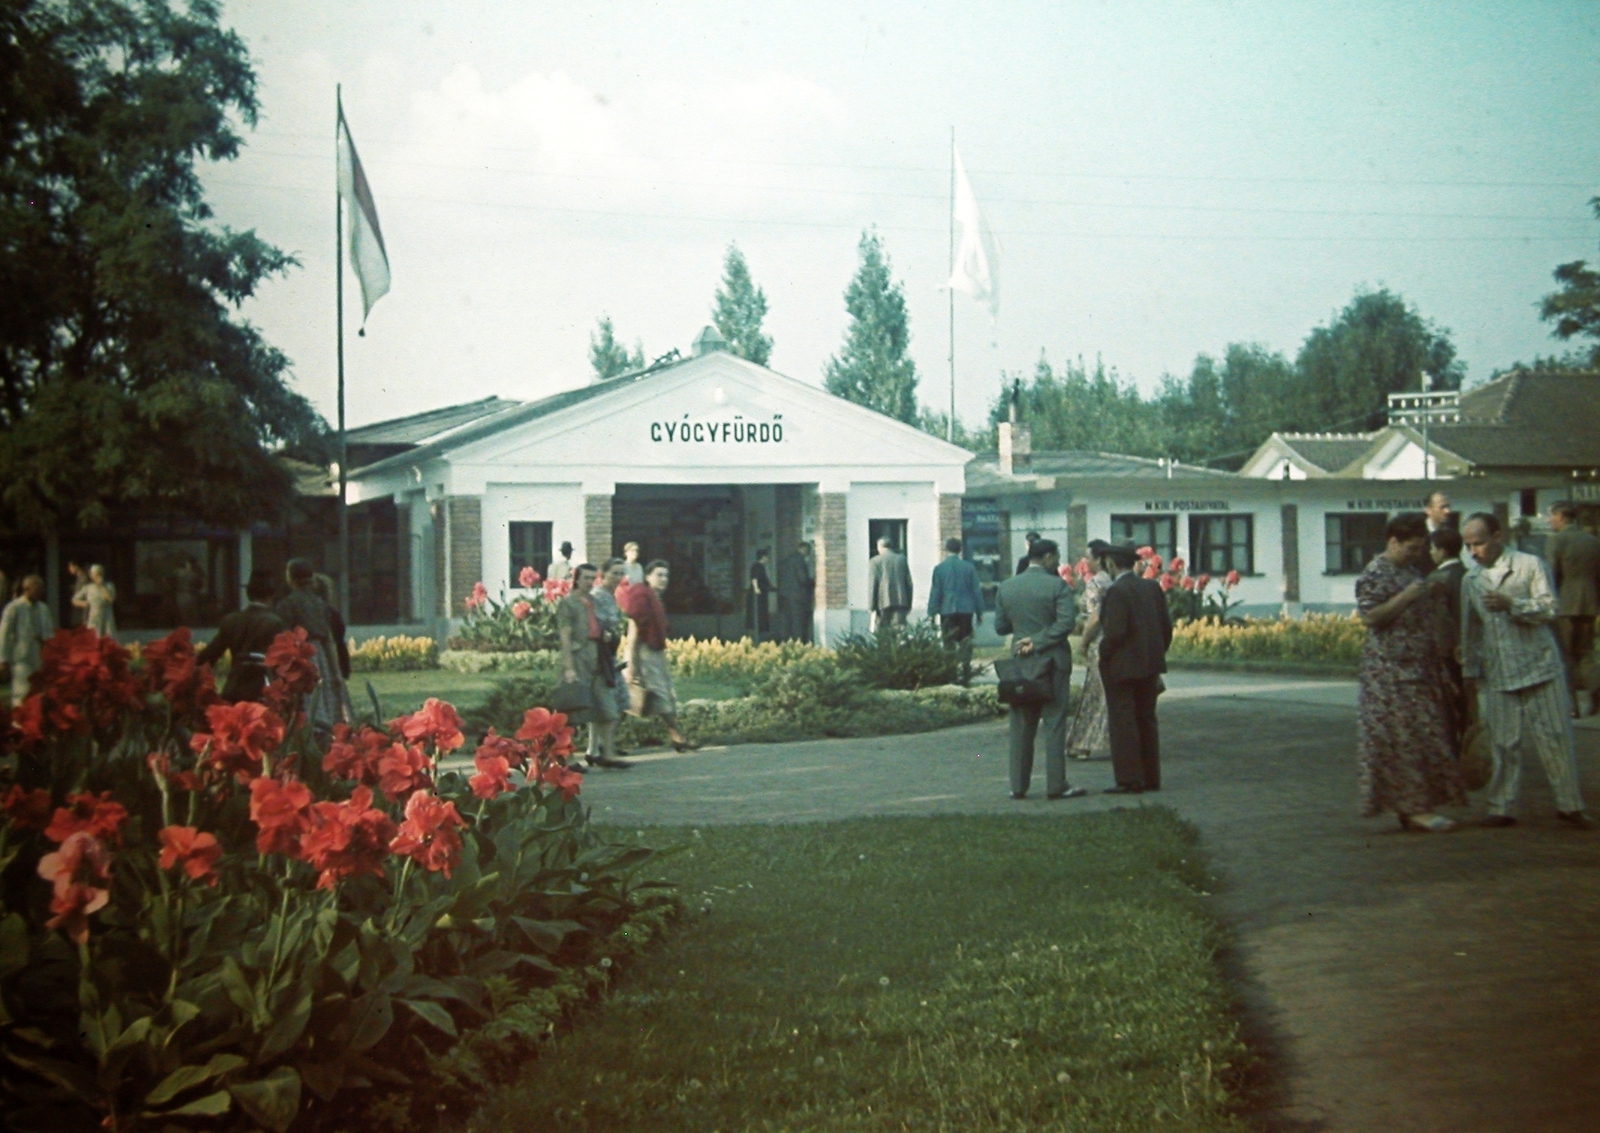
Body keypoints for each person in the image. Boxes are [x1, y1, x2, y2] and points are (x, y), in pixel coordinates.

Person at [1461, 512, 1592, 829]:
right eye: (1468, 546)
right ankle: (1501, 806)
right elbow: (1471, 631)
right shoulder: (1471, 580)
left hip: (1541, 667)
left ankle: (1570, 805)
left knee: (1555, 737)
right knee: (1503, 743)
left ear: (1497, 536)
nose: (1474, 552)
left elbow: (1550, 607)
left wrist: (1513, 604)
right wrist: (1470, 672)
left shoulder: (1529, 565)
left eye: (1478, 543)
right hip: (1499, 672)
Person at [1355, 513, 1466, 832]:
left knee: (1424, 735)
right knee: (1404, 739)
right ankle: (1415, 808)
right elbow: (1371, 616)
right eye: (1411, 548)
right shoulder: (1375, 573)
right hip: (1390, 672)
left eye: (1421, 548)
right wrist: (1406, 597)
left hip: (1419, 667)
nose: (1417, 554)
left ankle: (1417, 805)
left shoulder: (1411, 569)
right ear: (1393, 542)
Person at [993, 538, 1087, 801]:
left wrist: (1025, 634)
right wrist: (1039, 640)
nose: (1058, 562)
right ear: (1046, 557)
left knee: (1021, 725)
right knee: (1055, 723)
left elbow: (1001, 627)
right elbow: (1066, 623)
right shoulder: (1057, 586)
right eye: (1056, 558)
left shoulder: (1007, 586)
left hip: (1021, 666)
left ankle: (1018, 786)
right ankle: (1056, 785)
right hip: (1052, 662)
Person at [1098, 540, 1173, 795]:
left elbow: (1115, 633)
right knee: (1147, 720)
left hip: (1122, 667)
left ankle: (1130, 779)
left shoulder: (1116, 592)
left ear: (1110, 563)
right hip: (1149, 664)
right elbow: (1166, 628)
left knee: (1123, 722)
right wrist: (1155, 653)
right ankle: (1151, 777)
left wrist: (1103, 653)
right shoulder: (1152, 588)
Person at [619, 559, 696, 751]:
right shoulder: (641, 596)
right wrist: (631, 664)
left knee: (654, 696)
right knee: (658, 696)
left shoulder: (654, 598)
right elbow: (633, 632)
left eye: (666, 575)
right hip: (644, 653)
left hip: (655, 653)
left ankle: (605, 742)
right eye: (659, 575)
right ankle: (678, 737)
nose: (664, 579)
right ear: (647, 577)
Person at [558, 564, 628, 769]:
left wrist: (606, 635)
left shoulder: (594, 601)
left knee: (608, 708)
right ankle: (567, 758)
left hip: (598, 657)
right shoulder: (568, 603)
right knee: (572, 712)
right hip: (579, 658)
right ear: (577, 579)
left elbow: (604, 625)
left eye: (592, 578)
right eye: (586, 578)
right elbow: (565, 636)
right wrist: (568, 667)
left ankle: (607, 754)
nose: (590, 582)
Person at [275, 559, 345, 741]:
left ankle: (312, 732)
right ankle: (326, 731)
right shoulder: (320, 603)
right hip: (320, 652)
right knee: (325, 695)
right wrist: (335, 670)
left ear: (291, 578)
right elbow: (327, 637)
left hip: (301, 655)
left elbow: (284, 635)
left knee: (309, 697)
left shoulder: (287, 604)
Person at [198, 571, 286, 703]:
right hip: (264, 692)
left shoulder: (231, 620)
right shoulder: (275, 623)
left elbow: (208, 657)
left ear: (248, 594)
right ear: (272, 595)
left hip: (234, 689)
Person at [1547, 501, 1599, 717]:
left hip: (1565, 606)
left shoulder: (1556, 541)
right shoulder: (1593, 541)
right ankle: (1597, 697)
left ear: (1560, 516)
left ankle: (1571, 706)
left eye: (1550, 516)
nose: (1549, 520)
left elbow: (1551, 575)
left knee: (1564, 657)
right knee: (1587, 654)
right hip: (1590, 604)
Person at [1066, 540, 1115, 761]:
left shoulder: (1096, 583)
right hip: (1115, 640)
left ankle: (1083, 742)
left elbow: (1094, 617)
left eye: (1089, 557)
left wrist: (1084, 642)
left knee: (1095, 694)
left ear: (1099, 559)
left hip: (1099, 642)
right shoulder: (1113, 581)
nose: (1085, 561)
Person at [586, 557, 634, 767]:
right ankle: (605, 751)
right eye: (614, 572)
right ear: (603, 574)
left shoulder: (609, 595)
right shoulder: (598, 596)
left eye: (620, 573)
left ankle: (595, 749)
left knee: (607, 703)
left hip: (607, 654)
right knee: (612, 703)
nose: (618, 577)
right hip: (599, 655)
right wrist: (603, 635)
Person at [1428, 525, 1470, 750]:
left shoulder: (1438, 578)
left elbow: (1437, 619)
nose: (1430, 553)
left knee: (1446, 703)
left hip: (1445, 650)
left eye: (1433, 548)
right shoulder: (1467, 575)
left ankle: (1451, 749)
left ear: (1443, 551)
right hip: (1466, 649)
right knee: (1464, 701)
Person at [927, 537, 983, 685]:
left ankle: (950, 672)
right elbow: (976, 590)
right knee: (965, 640)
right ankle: (966, 670)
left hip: (947, 610)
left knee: (948, 641)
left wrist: (932, 612)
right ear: (960, 550)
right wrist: (980, 611)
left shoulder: (939, 568)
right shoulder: (969, 567)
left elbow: (935, 592)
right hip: (966, 610)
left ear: (946, 549)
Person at [0, 576, 54, 706]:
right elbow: (4, 634)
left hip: (40, 656)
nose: (41, 591)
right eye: (38, 588)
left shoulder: (44, 608)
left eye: (42, 588)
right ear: (27, 589)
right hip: (21, 658)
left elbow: (50, 631)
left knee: (39, 694)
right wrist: (3, 659)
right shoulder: (14, 608)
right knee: (22, 692)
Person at [867, 537, 913, 630]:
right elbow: (909, 584)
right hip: (901, 601)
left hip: (882, 602)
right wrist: (909, 604)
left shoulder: (875, 561)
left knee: (883, 632)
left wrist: (871, 605)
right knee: (899, 631)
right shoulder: (902, 559)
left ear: (880, 546)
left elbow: (873, 584)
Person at [776, 541, 815, 643]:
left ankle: (786, 641)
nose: (808, 554)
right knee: (798, 621)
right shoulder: (800, 560)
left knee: (787, 620)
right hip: (798, 596)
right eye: (808, 551)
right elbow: (802, 578)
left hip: (785, 595)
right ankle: (799, 642)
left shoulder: (786, 560)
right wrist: (812, 582)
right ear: (805, 549)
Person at [73, 564, 117, 639]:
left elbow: (111, 599)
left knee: (109, 636)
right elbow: (74, 599)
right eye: (94, 575)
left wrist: (102, 586)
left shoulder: (109, 586)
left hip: (106, 614)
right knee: (94, 636)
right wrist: (83, 603)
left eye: (98, 575)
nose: (96, 577)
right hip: (94, 614)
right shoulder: (88, 587)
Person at [748, 548, 774, 644]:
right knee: (757, 614)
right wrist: (756, 589)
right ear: (763, 557)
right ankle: (756, 637)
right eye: (767, 557)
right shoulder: (757, 567)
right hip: (758, 596)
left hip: (762, 594)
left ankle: (759, 635)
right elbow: (754, 578)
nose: (768, 559)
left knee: (761, 614)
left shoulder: (761, 567)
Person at [173, 556, 204, 626]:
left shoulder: (177, 573)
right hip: (190, 595)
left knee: (184, 615)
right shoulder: (192, 574)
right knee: (192, 615)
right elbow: (199, 584)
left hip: (181, 595)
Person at [66, 562, 88, 626]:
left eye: (71, 566)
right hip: (78, 609)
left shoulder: (83, 578)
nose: (69, 569)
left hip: (82, 611)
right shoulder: (79, 578)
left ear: (76, 566)